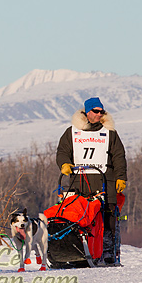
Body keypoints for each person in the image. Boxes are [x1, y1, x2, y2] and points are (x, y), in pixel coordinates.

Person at [55, 97, 128, 264]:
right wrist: (64, 164)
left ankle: (108, 253)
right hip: (79, 182)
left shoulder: (109, 133)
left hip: (106, 181)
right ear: (87, 112)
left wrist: (121, 178)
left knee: (108, 217)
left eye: (102, 111)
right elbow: (62, 151)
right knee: (79, 217)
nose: (99, 114)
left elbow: (119, 157)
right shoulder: (72, 132)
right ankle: (78, 252)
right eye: (96, 111)